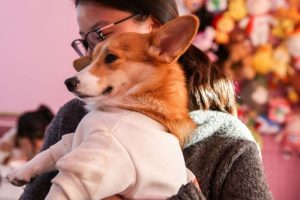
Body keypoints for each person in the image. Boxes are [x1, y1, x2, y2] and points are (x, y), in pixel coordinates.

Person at [19, 0, 272, 199]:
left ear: (156, 30)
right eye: (85, 40)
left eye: (99, 32)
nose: (91, 50)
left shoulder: (226, 139)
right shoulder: (73, 116)